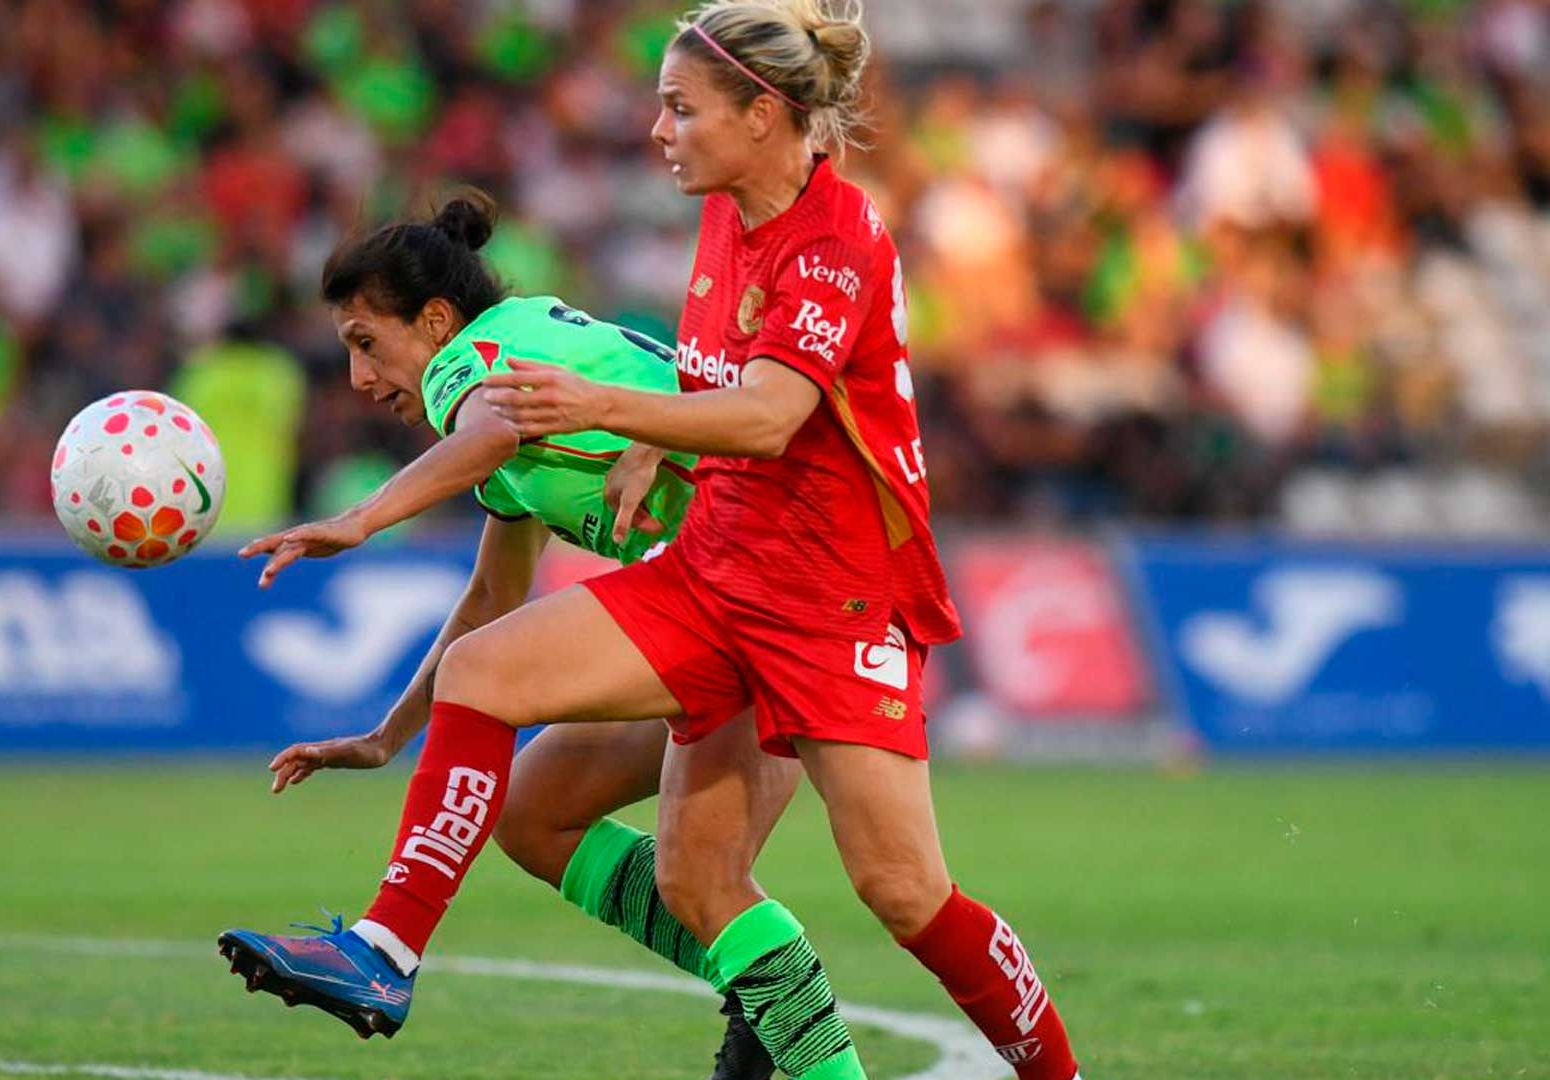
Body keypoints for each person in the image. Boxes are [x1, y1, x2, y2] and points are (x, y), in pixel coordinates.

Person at [229, 2, 1084, 1078]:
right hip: (716, 569)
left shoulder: (838, 238)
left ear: (761, 114)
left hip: (835, 595)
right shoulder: (725, 218)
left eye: (681, 108)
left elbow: (770, 413)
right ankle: (384, 949)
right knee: (503, 708)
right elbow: (698, 393)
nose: (658, 132)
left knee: (897, 889)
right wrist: (388, 734)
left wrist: (377, 511)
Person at [221, 189, 841, 1080]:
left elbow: (493, 430)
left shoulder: (471, 362)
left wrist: (360, 519)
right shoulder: (523, 361)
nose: (359, 379)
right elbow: (489, 599)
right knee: (534, 814)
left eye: (367, 344)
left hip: (773, 585)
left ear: (434, 321)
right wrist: (387, 737)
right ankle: (773, 994)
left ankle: (386, 950)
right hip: (762, 590)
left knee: (783, 888)